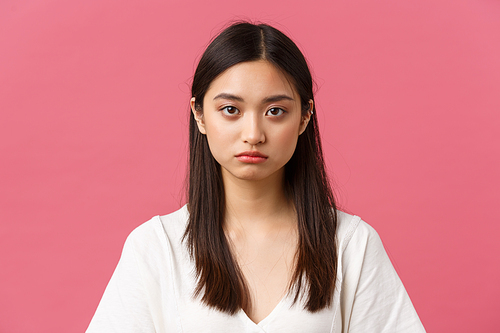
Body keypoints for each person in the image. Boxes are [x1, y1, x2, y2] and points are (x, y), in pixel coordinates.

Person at [86, 22, 425, 332]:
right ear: (200, 115)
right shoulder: (156, 247)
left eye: (275, 111)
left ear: (305, 117)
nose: (253, 133)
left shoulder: (351, 245)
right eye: (231, 110)